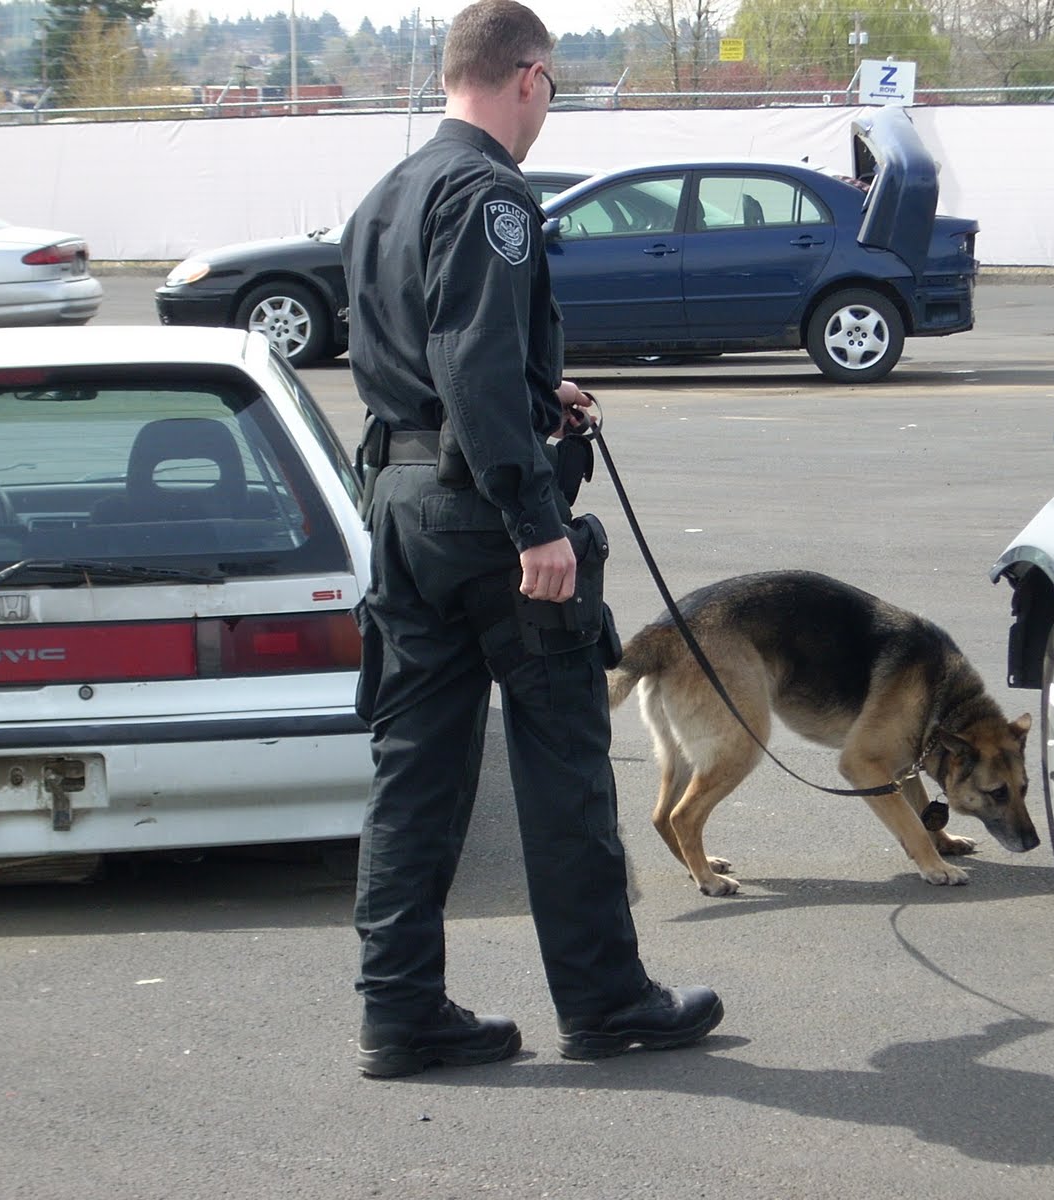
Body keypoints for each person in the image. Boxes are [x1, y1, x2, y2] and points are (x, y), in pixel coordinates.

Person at [340, 0, 722, 1077]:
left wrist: (531, 389)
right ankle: (607, 1003)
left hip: (405, 508)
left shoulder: (388, 194)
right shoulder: (490, 191)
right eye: (552, 88)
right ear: (529, 77)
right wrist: (535, 519)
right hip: (485, 521)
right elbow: (464, 355)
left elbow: (425, 360)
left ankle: (400, 1012)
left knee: (413, 771)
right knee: (562, 761)